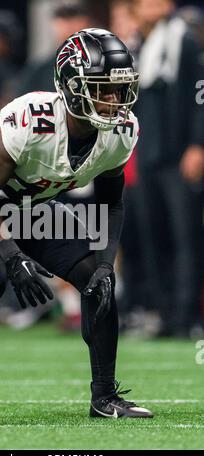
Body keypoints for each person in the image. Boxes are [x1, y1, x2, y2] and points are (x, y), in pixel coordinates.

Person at [0, 28, 153, 419]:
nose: (113, 101)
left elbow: (112, 203)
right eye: (101, 88)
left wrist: (102, 263)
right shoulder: (33, 117)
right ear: (70, 84)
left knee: (98, 283)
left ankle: (104, 397)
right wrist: (13, 256)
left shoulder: (121, 132)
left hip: (33, 204)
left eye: (119, 89)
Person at [132, 0, 204, 336]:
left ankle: (185, 315)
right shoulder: (137, 46)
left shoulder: (185, 41)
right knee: (152, 235)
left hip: (177, 155)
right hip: (147, 154)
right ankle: (162, 312)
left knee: (184, 236)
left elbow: (200, 95)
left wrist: (197, 144)